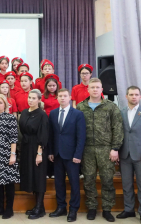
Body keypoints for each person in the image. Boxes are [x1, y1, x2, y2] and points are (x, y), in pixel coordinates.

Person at [77, 78, 123, 222]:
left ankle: (107, 209)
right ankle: (92, 208)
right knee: (88, 180)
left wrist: (115, 148)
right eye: (92, 87)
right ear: (88, 89)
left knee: (107, 180)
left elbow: (118, 128)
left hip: (106, 149)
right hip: (87, 149)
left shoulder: (110, 107)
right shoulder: (80, 107)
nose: (95, 89)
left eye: (98, 87)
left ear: (102, 89)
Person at [117, 86, 141, 224]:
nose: (134, 97)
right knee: (126, 185)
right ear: (126, 96)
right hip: (124, 155)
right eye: (131, 94)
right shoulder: (120, 112)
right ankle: (129, 209)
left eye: (136, 94)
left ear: (140, 97)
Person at [48, 88, 86, 222]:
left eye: (65, 96)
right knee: (59, 182)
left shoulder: (77, 114)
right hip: (57, 154)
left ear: (69, 97)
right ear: (57, 98)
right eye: (60, 96)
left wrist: (78, 154)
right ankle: (61, 207)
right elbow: (52, 134)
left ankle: (73, 209)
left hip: (72, 155)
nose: (62, 98)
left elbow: (81, 136)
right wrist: (51, 151)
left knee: (74, 183)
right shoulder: (52, 113)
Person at [19, 89, 49, 220]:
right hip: (26, 147)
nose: (30, 100)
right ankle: (39, 207)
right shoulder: (24, 112)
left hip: (37, 147)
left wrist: (39, 153)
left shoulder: (42, 115)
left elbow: (43, 134)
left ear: (39, 100)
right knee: (31, 176)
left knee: (39, 176)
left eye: (33, 98)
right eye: (29, 97)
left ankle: (39, 207)